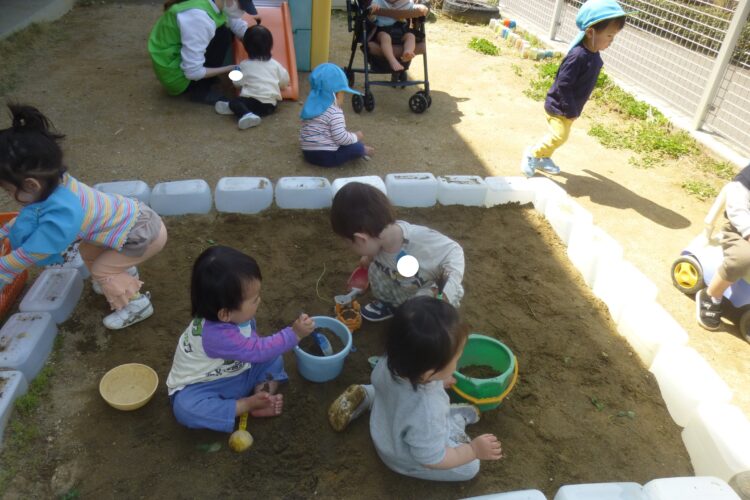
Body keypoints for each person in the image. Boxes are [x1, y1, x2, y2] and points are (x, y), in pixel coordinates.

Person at [0, 104, 167, 330]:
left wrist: (5, 267)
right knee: (87, 251)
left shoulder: (64, 211)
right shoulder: (54, 182)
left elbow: (37, 248)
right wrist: (5, 231)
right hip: (131, 224)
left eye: (8, 190)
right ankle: (122, 273)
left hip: (141, 235)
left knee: (101, 269)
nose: (9, 195)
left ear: (31, 185)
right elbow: (30, 218)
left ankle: (137, 305)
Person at [328, 296, 503, 481]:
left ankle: (367, 395)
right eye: (456, 359)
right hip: (401, 457)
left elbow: (416, 378)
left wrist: (439, 379)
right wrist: (472, 450)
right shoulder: (427, 410)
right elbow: (432, 460)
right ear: (428, 373)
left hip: (384, 421)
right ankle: (455, 423)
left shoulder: (392, 359)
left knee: (385, 393)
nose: (457, 362)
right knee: (470, 467)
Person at [166, 245, 315, 433]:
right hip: (202, 386)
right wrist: (294, 334)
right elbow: (258, 350)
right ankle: (246, 404)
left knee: (274, 359)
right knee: (186, 409)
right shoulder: (216, 336)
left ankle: (263, 397)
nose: (259, 301)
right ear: (225, 314)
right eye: (254, 299)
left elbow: (254, 346)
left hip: (232, 370)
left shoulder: (231, 316)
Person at [520, 0, 627, 177]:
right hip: (558, 107)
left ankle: (544, 157)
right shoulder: (577, 56)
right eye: (609, 35)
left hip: (571, 108)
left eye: (614, 36)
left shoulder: (594, 55)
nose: (611, 41)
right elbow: (563, 84)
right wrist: (570, 109)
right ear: (591, 32)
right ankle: (533, 154)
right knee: (559, 136)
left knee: (561, 137)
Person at [330, 182, 464, 321]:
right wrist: (368, 258)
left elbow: (454, 250)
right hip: (401, 282)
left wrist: (445, 290)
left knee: (422, 314)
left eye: (348, 243)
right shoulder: (378, 238)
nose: (349, 248)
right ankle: (391, 305)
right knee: (374, 269)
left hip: (425, 290)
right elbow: (372, 252)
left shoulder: (419, 240)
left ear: (361, 238)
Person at [148, 0, 259, 104]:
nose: (242, 11)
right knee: (223, 35)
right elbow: (193, 72)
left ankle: (208, 77)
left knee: (223, 31)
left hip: (174, 58)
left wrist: (258, 45)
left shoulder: (217, 3)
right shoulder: (199, 17)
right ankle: (201, 90)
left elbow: (236, 24)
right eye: (242, 6)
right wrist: (231, 68)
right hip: (174, 76)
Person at [696, 163, 750, 340]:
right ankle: (712, 294)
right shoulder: (745, 180)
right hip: (740, 231)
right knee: (743, 257)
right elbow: (736, 204)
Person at [214, 21, 290, 129]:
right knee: (239, 103)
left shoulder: (244, 65)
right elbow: (284, 81)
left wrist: (235, 73)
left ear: (246, 47)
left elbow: (237, 84)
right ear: (270, 46)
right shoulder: (275, 65)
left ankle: (246, 115)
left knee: (236, 102)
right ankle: (234, 108)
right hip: (270, 105)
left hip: (253, 103)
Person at [300, 63, 374, 168]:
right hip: (327, 156)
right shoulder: (334, 111)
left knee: (341, 140)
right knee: (356, 147)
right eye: (343, 93)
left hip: (308, 153)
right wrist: (356, 137)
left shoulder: (310, 106)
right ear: (337, 94)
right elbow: (341, 138)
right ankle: (363, 149)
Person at [369, 0, 421, 72]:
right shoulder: (378, 1)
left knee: (411, 36)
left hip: (400, 30)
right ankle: (392, 60)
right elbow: (370, 12)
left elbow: (414, 7)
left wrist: (421, 7)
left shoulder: (405, 2)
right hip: (382, 30)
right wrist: (372, 9)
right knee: (385, 38)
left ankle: (407, 52)